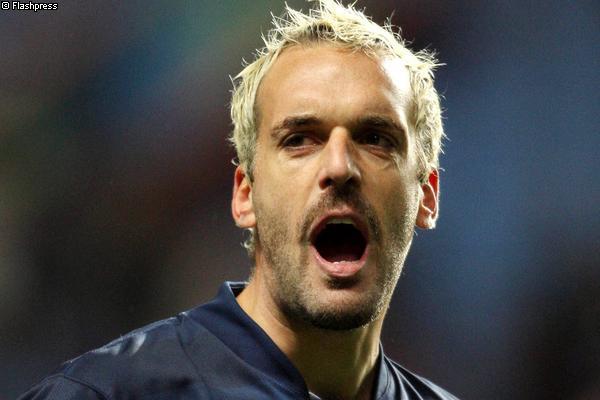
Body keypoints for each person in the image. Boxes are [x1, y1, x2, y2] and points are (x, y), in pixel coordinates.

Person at [19, 1, 458, 399]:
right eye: (299, 140)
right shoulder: (107, 393)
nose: (340, 166)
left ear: (427, 196)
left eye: (376, 139)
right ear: (245, 195)